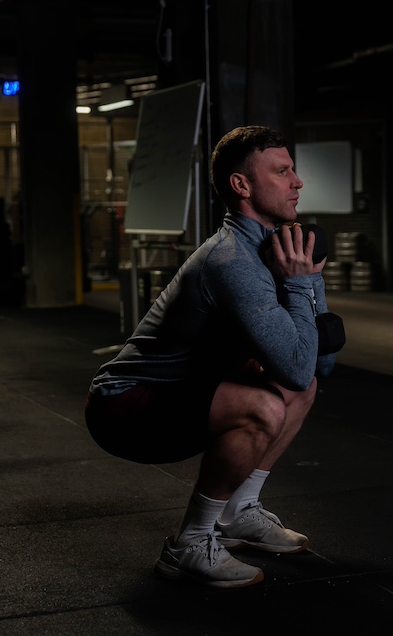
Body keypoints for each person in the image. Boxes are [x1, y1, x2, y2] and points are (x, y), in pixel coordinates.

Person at [85, 125, 338, 589]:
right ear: (242, 186)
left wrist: (309, 278)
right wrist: (302, 285)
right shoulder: (233, 263)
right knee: (264, 404)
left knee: (294, 391)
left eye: (293, 171)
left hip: (184, 390)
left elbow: (314, 371)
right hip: (126, 406)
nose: (297, 182)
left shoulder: (270, 251)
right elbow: (303, 363)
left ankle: (239, 512)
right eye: (282, 172)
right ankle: (190, 544)